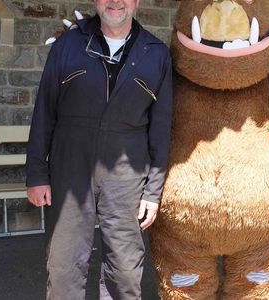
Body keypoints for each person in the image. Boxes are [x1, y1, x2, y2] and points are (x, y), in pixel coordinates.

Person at [25, 0, 173, 298]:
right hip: (70, 168)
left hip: (127, 174)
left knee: (125, 267)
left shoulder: (156, 53)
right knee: (64, 263)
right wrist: (37, 174)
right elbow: (44, 112)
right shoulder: (68, 45)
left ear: (137, 2)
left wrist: (153, 191)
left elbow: (161, 127)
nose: (116, 2)